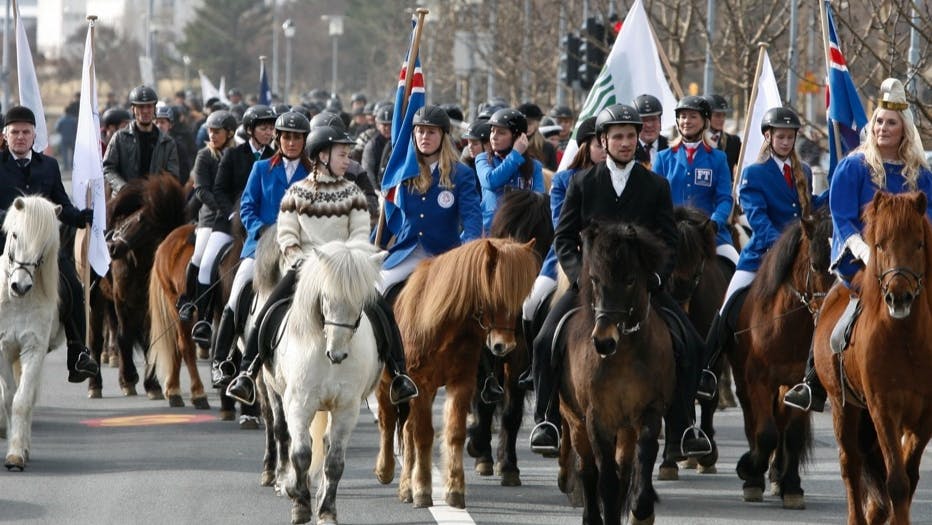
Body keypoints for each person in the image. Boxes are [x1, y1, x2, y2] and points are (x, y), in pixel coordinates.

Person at [528, 104, 711, 459]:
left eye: (631, 136)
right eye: (618, 137)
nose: (626, 143)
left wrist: (658, 275)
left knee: (692, 343)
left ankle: (684, 426)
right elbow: (564, 237)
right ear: (603, 141)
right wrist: (579, 275)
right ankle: (546, 419)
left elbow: (669, 238)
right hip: (591, 287)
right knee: (543, 340)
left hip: (639, 287)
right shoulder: (582, 183)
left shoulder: (655, 185)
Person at [225, 125, 418, 406]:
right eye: (342, 154)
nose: (347, 160)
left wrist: (348, 261)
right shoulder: (297, 192)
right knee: (268, 310)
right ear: (322, 156)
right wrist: (299, 260)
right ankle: (246, 371)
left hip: (342, 270)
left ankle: (399, 373)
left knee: (381, 310)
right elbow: (287, 234)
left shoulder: (353, 193)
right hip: (304, 268)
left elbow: (360, 234)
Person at [784, 78, 932, 412]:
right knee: (833, 309)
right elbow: (842, 217)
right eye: (878, 121)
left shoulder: (920, 174)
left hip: (910, 262)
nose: (882, 128)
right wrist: (868, 253)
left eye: (890, 123)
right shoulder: (854, 167)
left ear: (904, 128)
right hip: (859, 261)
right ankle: (813, 381)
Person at [697, 107, 826, 400]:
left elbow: (809, 207)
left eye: (790, 137)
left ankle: (816, 376)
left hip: (800, 256)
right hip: (763, 253)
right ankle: (707, 369)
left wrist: (833, 194)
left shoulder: (803, 170)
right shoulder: (754, 173)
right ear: (768, 136)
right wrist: (785, 245)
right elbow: (757, 218)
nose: (785, 142)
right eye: (780, 136)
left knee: (824, 299)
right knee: (729, 303)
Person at [0, 106, 98, 382]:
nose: (20, 137)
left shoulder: (50, 165)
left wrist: (78, 217)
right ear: (5, 136)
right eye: (15, 132)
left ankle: (78, 354)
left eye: (25, 132)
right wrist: (14, 218)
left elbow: (61, 203)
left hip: (43, 248)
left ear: (34, 136)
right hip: (6, 243)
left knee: (74, 286)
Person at [210, 109, 300, 391]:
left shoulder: (313, 173)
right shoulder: (261, 168)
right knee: (237, 294)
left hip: (298, 248)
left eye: (298, 137)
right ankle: (221, 361)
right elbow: (246, 207)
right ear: (279, 138)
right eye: (287, 137)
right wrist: (261, 229)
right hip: (260, 246)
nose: (292, 143)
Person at [518, 116, 603, 391]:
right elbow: (559, 222)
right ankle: (534, 369)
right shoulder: (564, 180)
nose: (604, 148)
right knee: (530, 306)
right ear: (585, 146)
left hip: (610, 260)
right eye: (598, 143)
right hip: (566, 259)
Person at [377, 105, 483, 293]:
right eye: (421, 131)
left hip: (444, 256)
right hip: (406, 254)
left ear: (443, 136)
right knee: (377, 289)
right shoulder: (402, 173)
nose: (425, 137)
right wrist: (373, 248)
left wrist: (469, 254)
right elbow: (389, 214)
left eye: (431, 132)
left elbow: (472, 217)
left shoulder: (461, 174)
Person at [653, 95, 738, 271]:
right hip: (672, 233)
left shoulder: (718, 158)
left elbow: (724, 199)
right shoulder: (663, 158)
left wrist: (714, 223)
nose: (686, 121)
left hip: (710, 233)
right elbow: (654, 199)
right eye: (683, 116)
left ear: (705, 122)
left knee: (735, 264)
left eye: (693, 116)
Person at [175, 110, 238, 347]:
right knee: (201, 256)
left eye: (217, 131)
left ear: (229, 133)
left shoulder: (235, 155)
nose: (212, 135)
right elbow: (201, 190)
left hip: (236, 216)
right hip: (211, 218)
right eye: (210, 131)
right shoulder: (204, 156)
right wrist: (224, 209)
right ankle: (191, 302)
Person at [474, 108, 544, 234]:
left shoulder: (535, 166)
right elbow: (491, 181)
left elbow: (539, 201)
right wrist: (515, 154)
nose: (494, 137)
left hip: (521, 232)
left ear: (518, 137)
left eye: (501, 132)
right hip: (490, 233)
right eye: (492, 131)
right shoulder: (483, 159)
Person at [103, 85, 179, 194]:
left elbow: (173, 175)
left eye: (149, 106)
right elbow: (108, 168)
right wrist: (123, 188)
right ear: (133, 109)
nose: (145, 111)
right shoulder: (119, 138)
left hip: (154, 201)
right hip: (125, 201)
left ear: (155, 109)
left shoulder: (167, 142)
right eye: (140, 107)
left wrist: (157, 191)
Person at [704, 94, 742, 175]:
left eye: (724, 115)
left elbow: (745, 164)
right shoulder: (696, 142)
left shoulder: (734, 142)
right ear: (706, 116)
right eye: (717, 115)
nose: (722, 119)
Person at [633, 94, 668, 168]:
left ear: (660, 121)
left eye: (653, 119)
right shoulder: (628, 149)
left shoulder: (671, 147)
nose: (649, 125)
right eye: (644, 120)